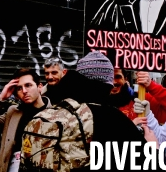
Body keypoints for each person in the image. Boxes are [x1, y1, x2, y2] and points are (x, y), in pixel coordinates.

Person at [30, 51, 158, 170]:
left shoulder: (52, 109)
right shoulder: (113, 119)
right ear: (108, 86)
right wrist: (154, 149)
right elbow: (150, 166)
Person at [0, 68, 51, 172]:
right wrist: (1, 99)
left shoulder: (54, 114)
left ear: (40, 87)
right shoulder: (13, 113)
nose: (24, 91)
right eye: (19, 88)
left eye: (28, 85)